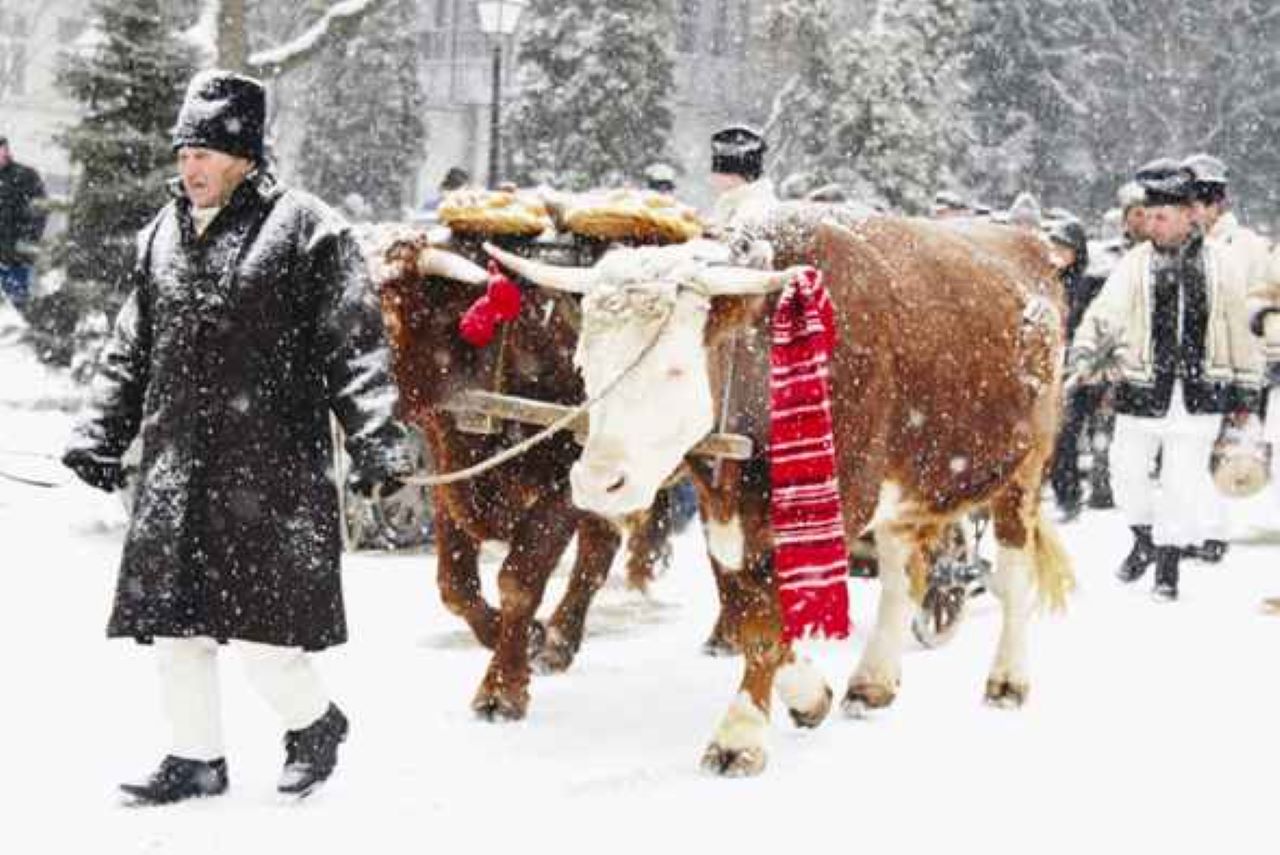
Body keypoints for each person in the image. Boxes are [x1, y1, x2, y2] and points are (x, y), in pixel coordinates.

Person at [61, 70, 412, 805]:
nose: (191, 166)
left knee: (263, 634)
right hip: (175, 466)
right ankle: (195, 758)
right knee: (176, 627)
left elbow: (356, 346)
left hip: (269, 469)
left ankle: (314, 723)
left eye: (208, 152)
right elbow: (132, 346)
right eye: (185, 150)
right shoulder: (160, 234)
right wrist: (101, 433)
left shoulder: (308, 229)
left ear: (246, 155)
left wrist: (377, 442)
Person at [1071, 159, 1263, 601]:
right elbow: (1105, 314)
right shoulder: (1135, 264)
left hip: (1201, 396)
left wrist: (1247, 395)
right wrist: (1085, 355)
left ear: (1187, 215)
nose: (1151, 225)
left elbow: (1240, 329)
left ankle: (1168, 567)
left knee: (1181, 482)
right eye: (1148, 216)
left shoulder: (1223, 265)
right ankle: (1144, 538)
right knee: (1125, 474)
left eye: (1161, 217)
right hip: (1141, 391)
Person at [1179, 153, 1272, 562]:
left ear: (1216, 204)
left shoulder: (1248, 246)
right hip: (1189, 361)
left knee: (1221, 450)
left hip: (1236, 363)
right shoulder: (1182, 245)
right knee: (1186, 451)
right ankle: (1189, 529)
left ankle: (1212, 533)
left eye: (1197, 203)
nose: (1192, 212)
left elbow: (1262, 301)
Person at [1046, 218, 1100, 520]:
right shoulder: (1044, 281)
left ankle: (1071, 495)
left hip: (1077, 368)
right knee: (1054, 436)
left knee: (1067, 434)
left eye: (1064, 248)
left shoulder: (1089, 285)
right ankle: (1063, 494)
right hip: (1050, 364)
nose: (1058, 253)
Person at [0, 133, 48, 310]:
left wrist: (26, 240)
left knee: (15, 306)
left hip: (16, 257)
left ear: (6, 151)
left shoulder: (25, 176)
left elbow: (39, 211)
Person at [708, 123, 777, 235]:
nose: (712, 178)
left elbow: (729, 245)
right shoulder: (732, 200)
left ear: (734, 175)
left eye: (717, 171)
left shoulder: (753, 207)